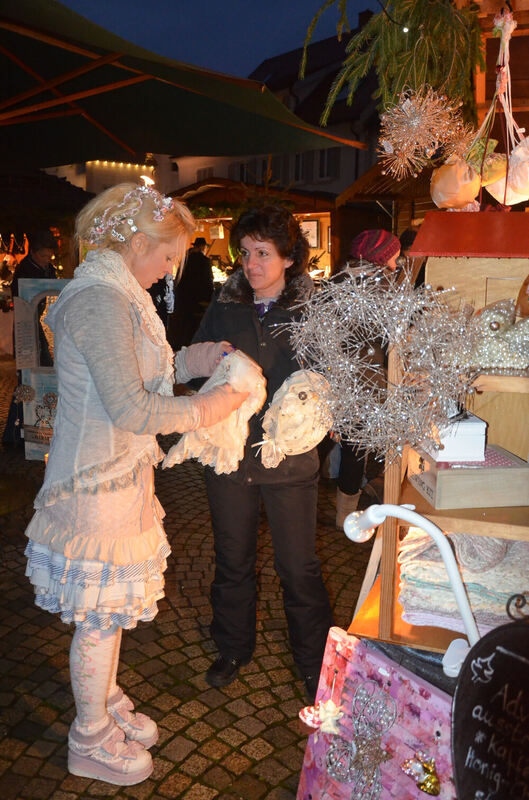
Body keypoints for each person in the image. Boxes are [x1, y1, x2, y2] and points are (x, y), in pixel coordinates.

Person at [23, 183, 248, 787]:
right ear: (139, 243)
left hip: (121, 477)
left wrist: (197, 361)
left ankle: (104, 697)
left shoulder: (120, 292)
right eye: (168, 256)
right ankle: (88, 736)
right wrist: (212, 407)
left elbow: (145, 369)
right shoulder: (99, 299)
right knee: (99, 615)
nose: (170, 268)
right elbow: (131, 407)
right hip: (94, 484)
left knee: (108, 612)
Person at [190, 205, 334, 702]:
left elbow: (333, 382)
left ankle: (316, 663)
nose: (251, 265)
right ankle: (232, 648)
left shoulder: (314, 311)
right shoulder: (225, 305)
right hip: (230, 458)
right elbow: (195, 364)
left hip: (290, 461)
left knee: (298, 567)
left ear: (289, 258)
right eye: (245, 254)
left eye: (263, 254)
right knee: (233, 558)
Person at [335, 228, 401, 528]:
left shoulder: (338, 281)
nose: (397, 266)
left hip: (336, 377)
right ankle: (345, 515)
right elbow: (389, 338)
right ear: (381, 258)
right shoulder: (380, 288)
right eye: (394, 259)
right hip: (366, 380)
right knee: (356, 447)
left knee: (339, 443)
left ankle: (343, 498)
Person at [168, 235, 214, 351]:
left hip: (183, 300)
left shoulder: (185, 259)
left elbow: (179, 279)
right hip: (197, 301)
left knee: (183, 330)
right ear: (203, 247)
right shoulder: (205, 261)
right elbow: (208, 281)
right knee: (194, 329)